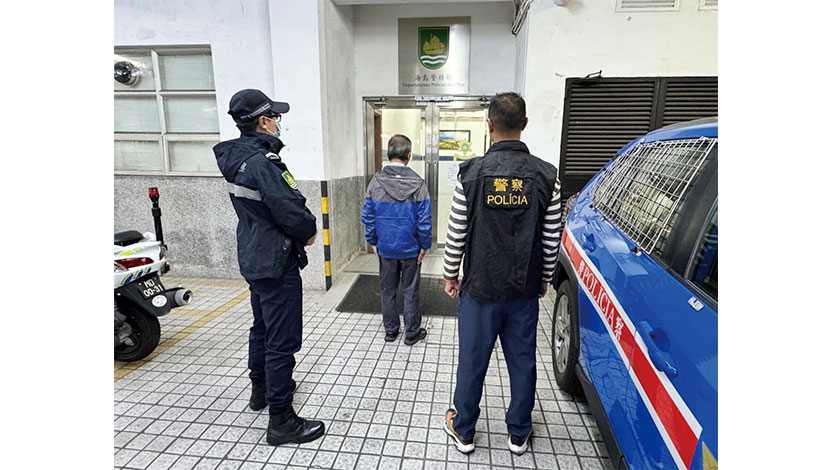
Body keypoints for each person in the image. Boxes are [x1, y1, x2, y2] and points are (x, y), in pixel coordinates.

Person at [441, 92, 563, 455]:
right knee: (523, 362)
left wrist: (451, 274)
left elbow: (456, 232)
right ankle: (519, 433)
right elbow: (551, 235)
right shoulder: (546, 176)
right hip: (523, 290)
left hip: (480, 291)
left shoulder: (471, 174)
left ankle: (463, 431)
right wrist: (544, 277)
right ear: (524, 125)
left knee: (472, 361)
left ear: (489, 124)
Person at [213, 88, 325, 445]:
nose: (278, 123)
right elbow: (290, 209)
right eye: (275, 117)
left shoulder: (236, 158)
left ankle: (260, 390)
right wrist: (307, 231)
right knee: (282, 340)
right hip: (276, 261)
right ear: (263, 121)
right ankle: (281, 421)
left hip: (253, 254)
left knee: (261, 327)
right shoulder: (265, 163)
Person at [361, 134, 432, 345]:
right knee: (411, 290)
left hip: (386, 248)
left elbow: (368, 216)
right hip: (411, 250)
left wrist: (372, 241)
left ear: (388, 155)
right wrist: (424, 245)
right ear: (408, 156)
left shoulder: (376, 183)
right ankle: (411, 333)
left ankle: (391, 331)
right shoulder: (418, 184)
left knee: (387, 289)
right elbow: (425, 220)